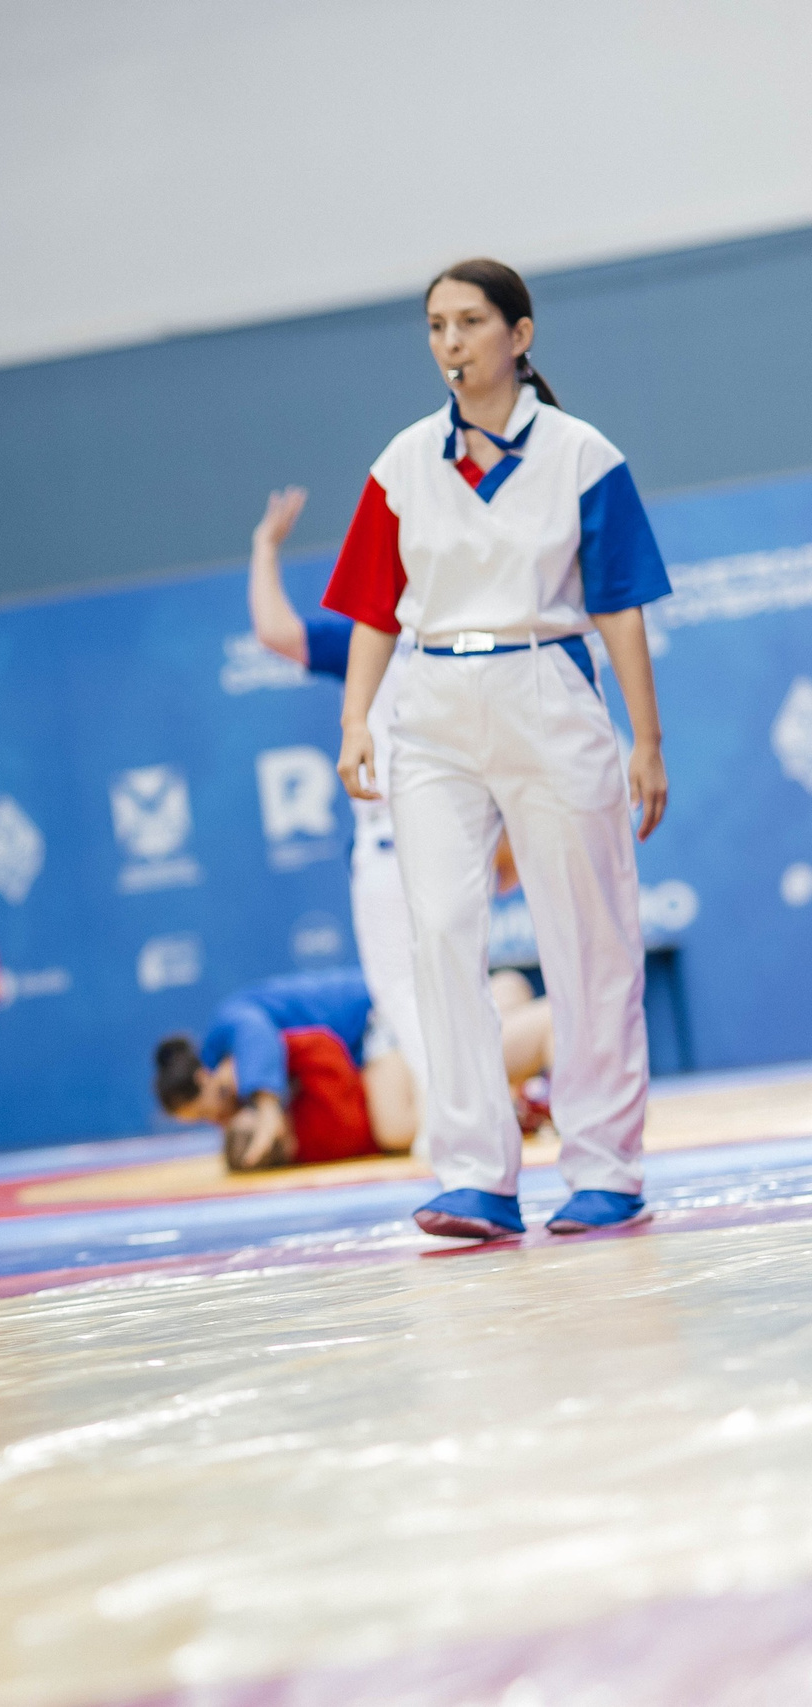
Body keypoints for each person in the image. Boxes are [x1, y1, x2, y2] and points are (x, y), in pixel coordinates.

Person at [325, 258, 672, 1241]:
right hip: (427, 704)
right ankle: (474, 1172)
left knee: (586, 934)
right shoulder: (400, 461)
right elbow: (367, 608)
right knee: (436, 930)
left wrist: (644, 738)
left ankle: (604, 1165)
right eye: (435, 325)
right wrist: (357, 720)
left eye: (470, 322)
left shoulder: (580, 454)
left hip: (545, 678)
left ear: (519, 335)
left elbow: (618, 607)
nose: (449, 342)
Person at [244, 488, 431, 1152]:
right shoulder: (433, 626)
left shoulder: (377, 632)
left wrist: (265, 547)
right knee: (445, 981)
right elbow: (278, 634)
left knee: (406, 989)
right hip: (448, 835)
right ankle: (469, 1118)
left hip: (399, 839)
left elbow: (276, 632)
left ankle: (452, 1124)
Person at [156, 967, 552, 1172]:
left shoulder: (234, 1032)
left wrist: (269, 1110)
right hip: (371, 1028)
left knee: (403, 1113)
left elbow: (260, 1037)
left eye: (210, 1110)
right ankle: (505, 995)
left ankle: (523, 1014)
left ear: (204, 1079)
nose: (218, 1120)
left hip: (372, 1018)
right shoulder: (232, 1062)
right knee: (445, 1058)